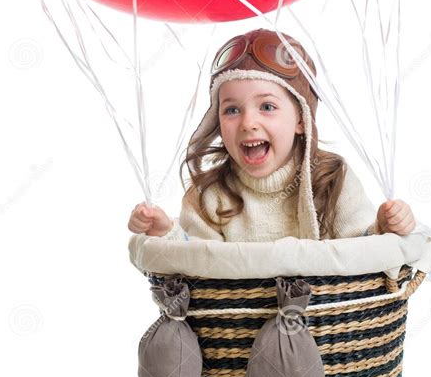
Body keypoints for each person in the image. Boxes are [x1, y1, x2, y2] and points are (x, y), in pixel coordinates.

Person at [128, 29, 416, 243]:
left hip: (325, 320)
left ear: (301, 120)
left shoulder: (333, 179)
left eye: (267, 107)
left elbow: (362, 248)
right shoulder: (209, 195)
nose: (248, 122)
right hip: (238, 322)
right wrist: (164, 232)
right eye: (231, 110)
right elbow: (194, 261)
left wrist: (386, 228)